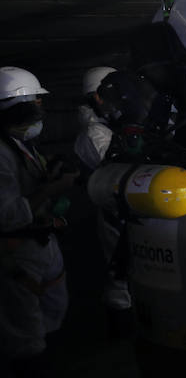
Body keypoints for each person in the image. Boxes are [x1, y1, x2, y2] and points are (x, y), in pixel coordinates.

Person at [0, 67, 76, 378]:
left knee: (52, 307)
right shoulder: (2, 153)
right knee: (25, 327)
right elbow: (7, 214)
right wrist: (53, 189)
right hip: (16, 250)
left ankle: (48, 366)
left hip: (40, 242)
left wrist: (50, 176)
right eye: (36, 105)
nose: (41, 112)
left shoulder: (18, 144)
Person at [73, 67, 132, 337]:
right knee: (120, 277)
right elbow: (116, 174)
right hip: (114, 212)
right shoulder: (94, 134)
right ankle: (120, 330)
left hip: (127, 209)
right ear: (99, 97)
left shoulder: (108, 126)